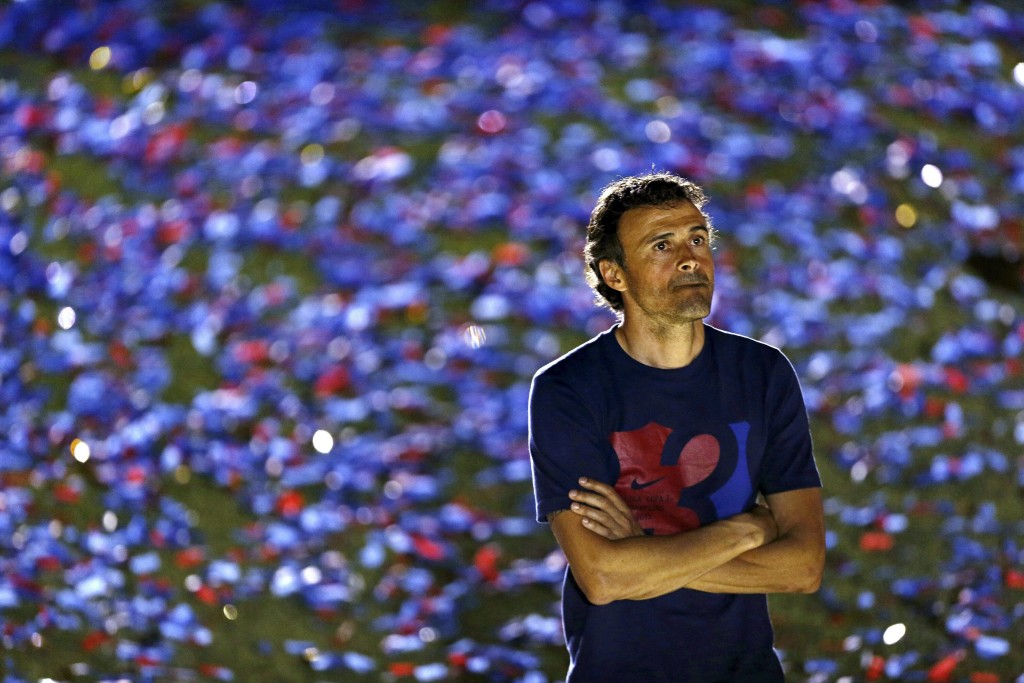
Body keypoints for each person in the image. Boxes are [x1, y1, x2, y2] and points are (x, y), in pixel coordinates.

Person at [528, 172, 825, 682]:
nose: (690, 257)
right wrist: (748, 529)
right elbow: (600, 577)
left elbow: (803, 568)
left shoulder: (762, 373)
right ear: (614, 275)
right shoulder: (567, 389)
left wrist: (640, 553)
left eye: (697, 238)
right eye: (661, 245)